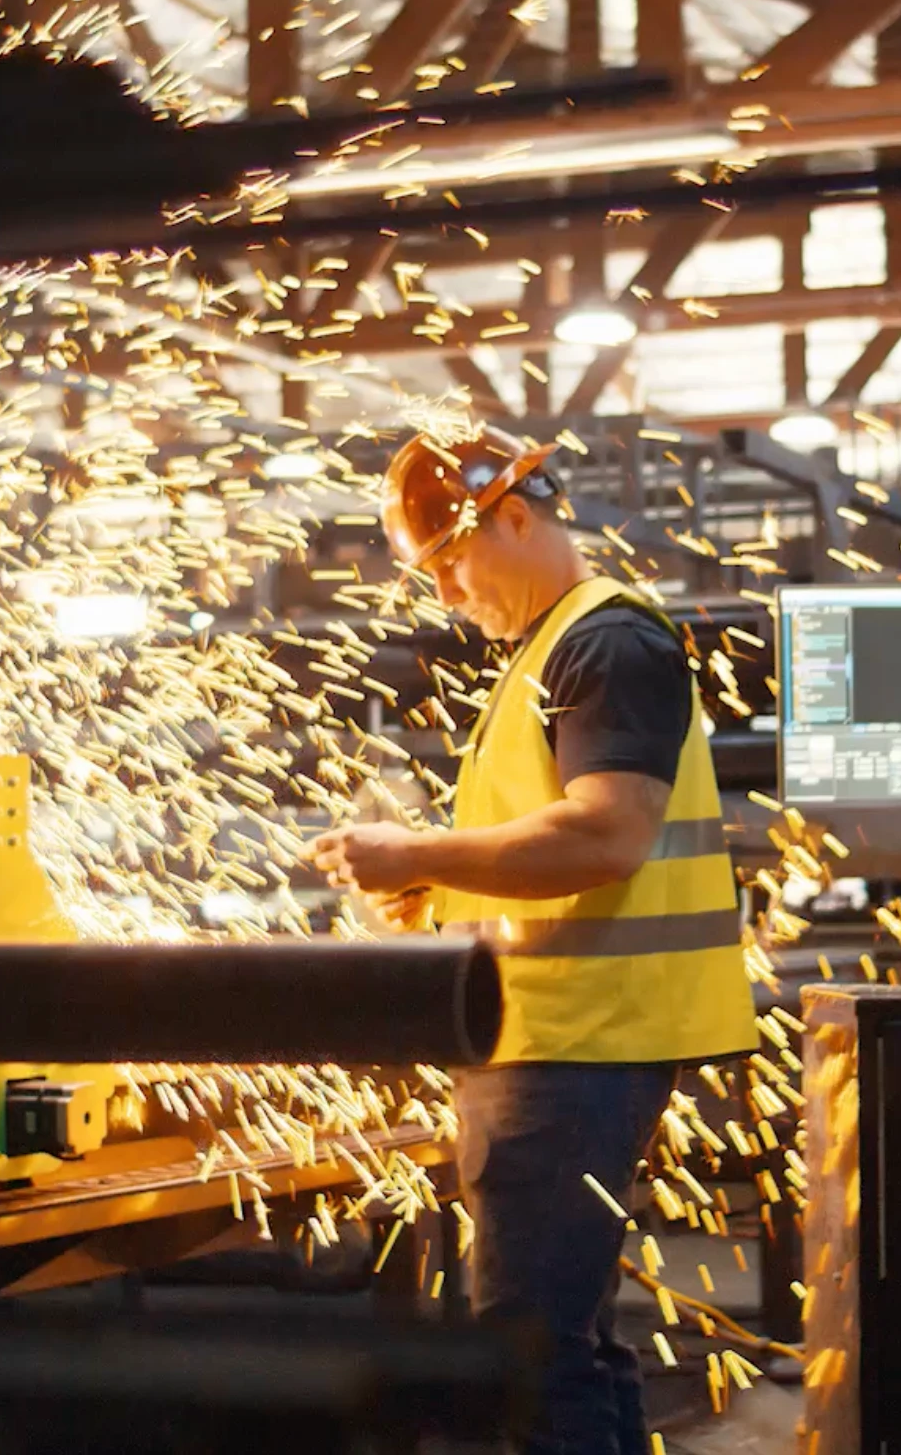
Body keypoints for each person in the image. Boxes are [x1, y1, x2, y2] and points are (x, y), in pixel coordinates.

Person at [310, 428, 756, 1455]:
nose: (445, 592)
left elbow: (607, 833)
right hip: (554, 1041)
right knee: (567, 1344)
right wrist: (431, 887)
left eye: (450, 562)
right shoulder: (548, 653)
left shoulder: (604, 643)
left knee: (530, 1352)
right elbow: (536, 850)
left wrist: (414, 845)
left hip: (578, 1044)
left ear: (513, 515)